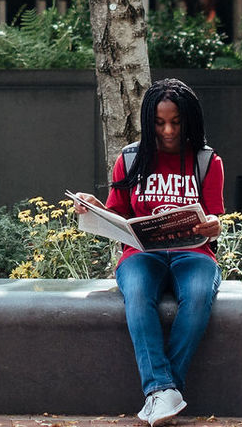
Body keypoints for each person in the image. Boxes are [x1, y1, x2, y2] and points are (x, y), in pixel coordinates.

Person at [71, 79, 224, 427]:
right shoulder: (129, 159)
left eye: (175, 122)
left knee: (199, 296)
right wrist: (95, 208)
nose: (168, 130)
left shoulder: (207, 161)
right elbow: (119, 214)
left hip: (194, 253)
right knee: (138, 294)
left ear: (189, 120)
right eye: (159, 122)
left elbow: (214, 215)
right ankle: (164, 391)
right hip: (142, 254)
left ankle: (161, 391)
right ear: (148, 121)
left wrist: (211, 225)